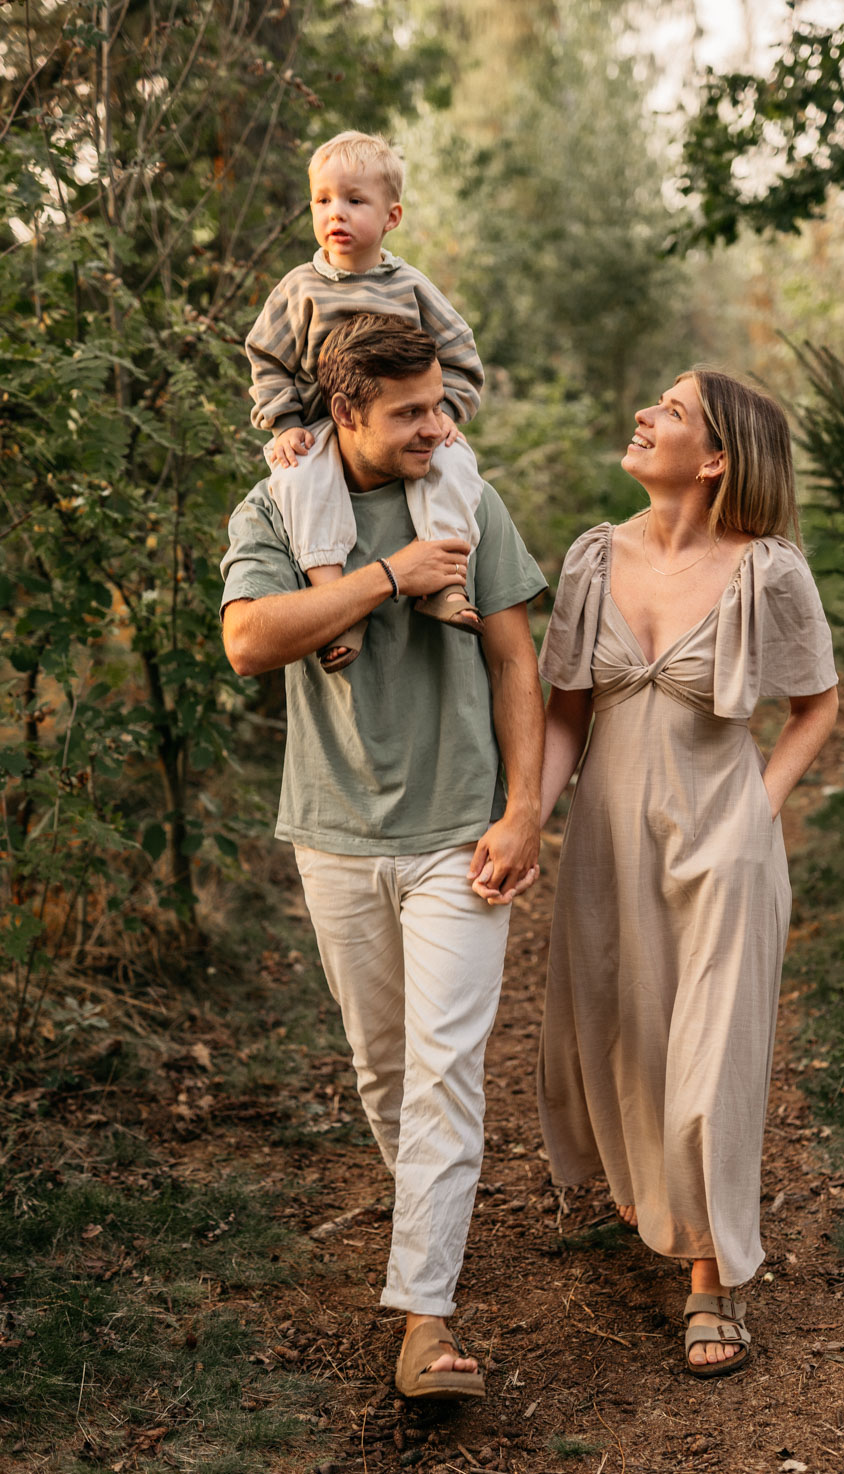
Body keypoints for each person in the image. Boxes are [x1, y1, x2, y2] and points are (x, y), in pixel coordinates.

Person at [221, 313, 546, 1399]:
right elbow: (250, 641)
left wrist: (524, 806)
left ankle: (426, 1319)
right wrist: (386, 578)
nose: (435, 425)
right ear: (346, 412)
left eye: (439, 403)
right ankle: (432, 1232)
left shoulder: (466, 492)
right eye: (409, 412)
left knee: (445, 1069)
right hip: (336, 832)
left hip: (461, 827)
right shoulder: (277, 502)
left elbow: (513, 659)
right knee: (383, 1068)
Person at [536, 368, 838, 1378]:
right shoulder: (592, 560)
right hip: (607, 839)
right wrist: (522, 820)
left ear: (715, 458)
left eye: (670, 411)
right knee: (624, 1033)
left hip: (724, 844)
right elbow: (565, 713)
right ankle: (652, 1194)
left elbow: (814, 708)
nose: (644, 416)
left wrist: (757, 808)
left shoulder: (769, 573)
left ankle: (711, 1281)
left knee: (713, 1055)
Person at [245, 130, 486, 671]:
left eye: (355, 201)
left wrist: (443, 413)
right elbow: (267, 356)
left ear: (391, 216)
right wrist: (284, 422)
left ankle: (444, 586)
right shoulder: (299, 288)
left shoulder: (409, 286)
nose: (337, 213)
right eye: (323, 200)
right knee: (298, 480)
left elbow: (459, 351)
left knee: (454, 466)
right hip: (322, 427)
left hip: (401, 428)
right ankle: (339, 600)